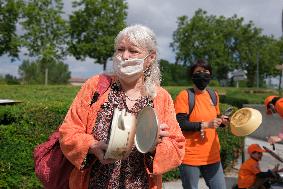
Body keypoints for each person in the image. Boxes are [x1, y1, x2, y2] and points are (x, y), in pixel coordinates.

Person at [58, 24, 185, 189]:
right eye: (120, 49)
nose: (124, 56)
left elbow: (177, 147)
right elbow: (68, 132)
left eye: (133, 51)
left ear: (151, 57)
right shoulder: (95, 86)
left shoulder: (160, 97)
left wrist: (154, 147)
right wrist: (91, 146)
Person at [174, 59, 229, 189]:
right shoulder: (185, 96)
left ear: (210, 74)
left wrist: (222, 121)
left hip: (212, 155)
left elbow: (214, 119)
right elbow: (180, 124)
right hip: (190, 157)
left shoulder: (213, 95)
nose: (202, 74)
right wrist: (205, 125)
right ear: (192, 76)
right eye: (198, 72)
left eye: (205, 71)